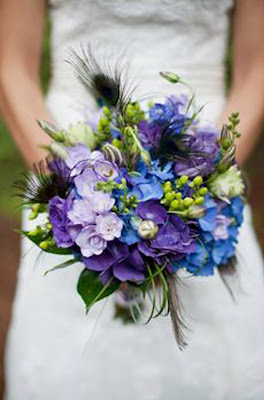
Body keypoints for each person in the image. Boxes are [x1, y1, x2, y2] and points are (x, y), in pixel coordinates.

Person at [1, 1, 264, 399]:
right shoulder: (72, 185)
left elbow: (256, 67)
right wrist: (72, 189)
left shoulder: (202, 184)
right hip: (73, 164)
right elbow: (12, 65)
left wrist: (204, 184)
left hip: (201, 173)